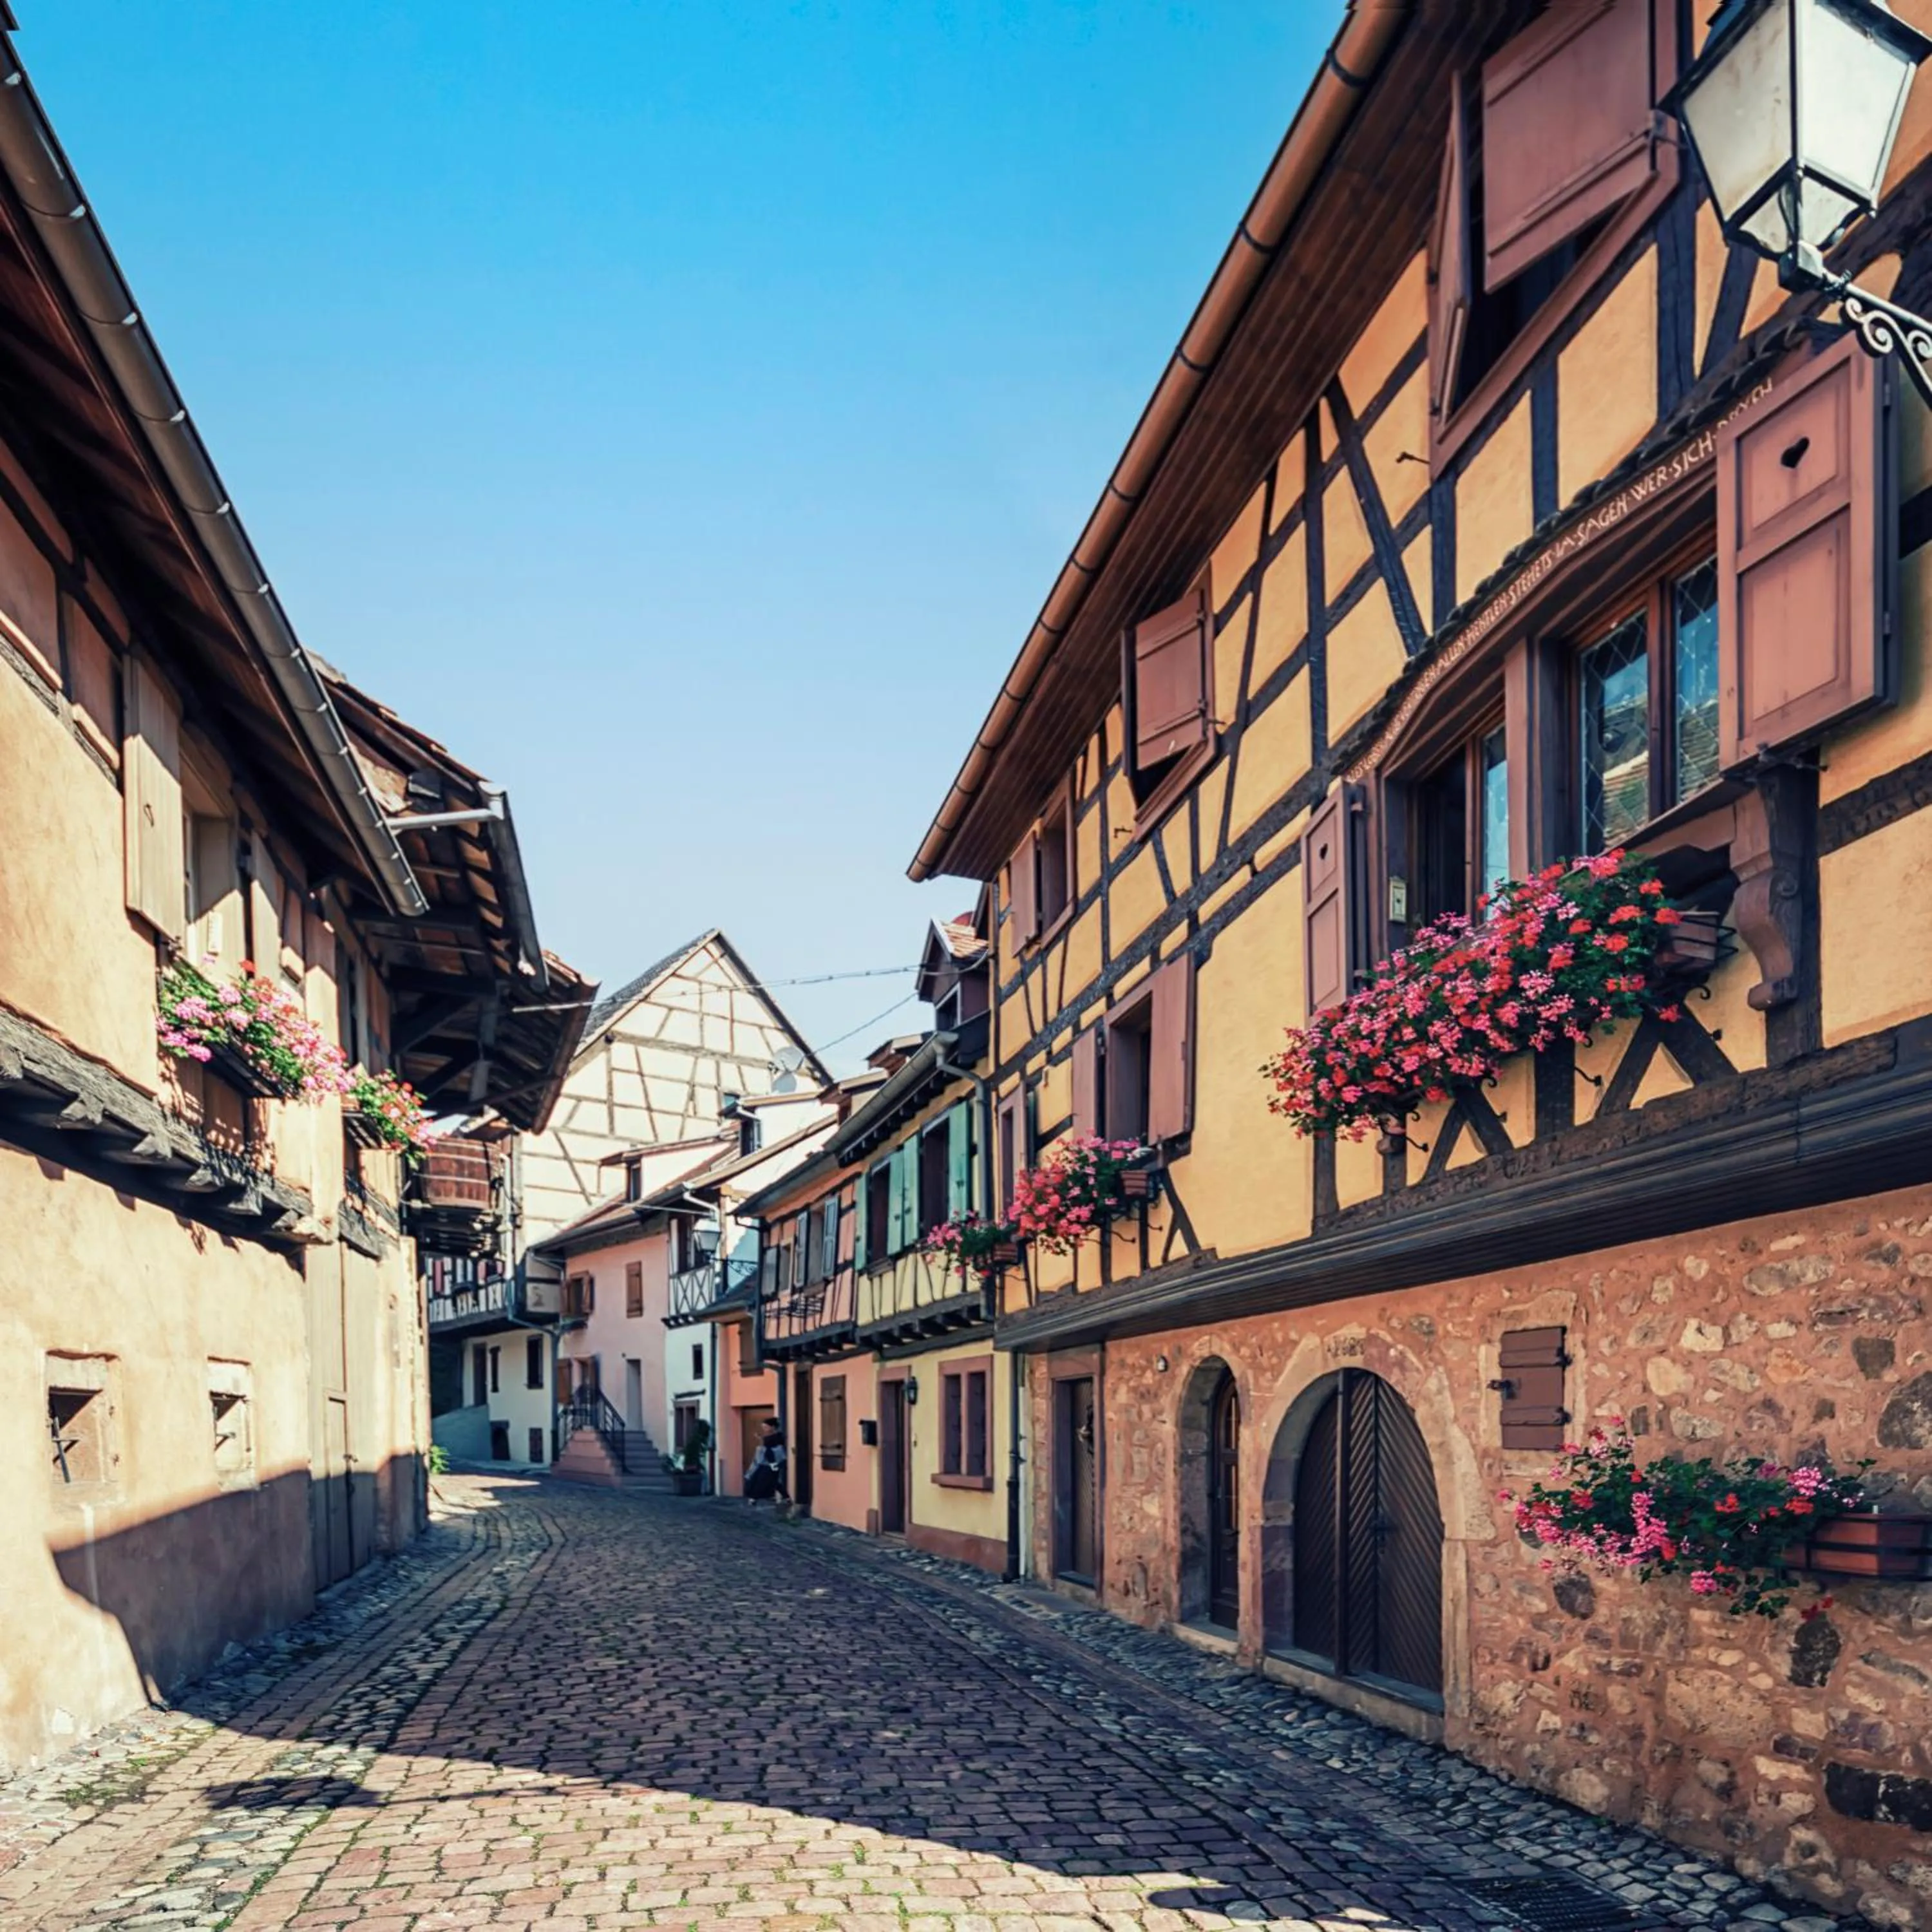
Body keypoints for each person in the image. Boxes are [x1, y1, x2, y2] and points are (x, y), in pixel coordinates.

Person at [744, 1419, 786, 1505]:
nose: (764, 1429)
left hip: (769, 1463)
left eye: (766, 1427)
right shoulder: (771, 1437)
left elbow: (770, 1451)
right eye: (763, 1427)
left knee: (760, 1480)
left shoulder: (776, 1437)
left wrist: (773, 1465)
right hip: (768, 1462)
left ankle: (753, 1498)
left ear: (773, 1427)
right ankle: (786, 1497)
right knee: (773, 1480)